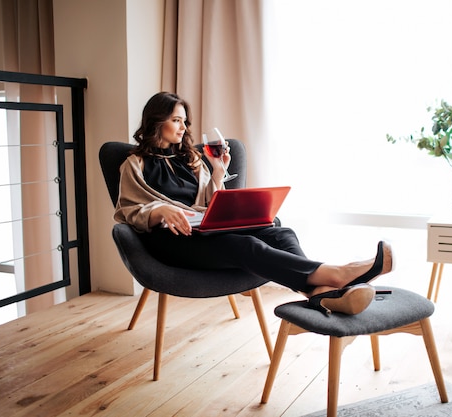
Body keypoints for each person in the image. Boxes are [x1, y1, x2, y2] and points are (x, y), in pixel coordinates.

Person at [114, 92, 394, 316]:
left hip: (204, 230)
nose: (183, 127)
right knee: (246, 246)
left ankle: (319, 294)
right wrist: (159, 210)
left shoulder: (192, 160)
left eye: (185, 121)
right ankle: (339, 274)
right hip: (171, 240)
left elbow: (209, 204)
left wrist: (218, 172)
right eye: (176, 120)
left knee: (282, 233)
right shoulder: (134, 164)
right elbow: (127, 211)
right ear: (156, 121)